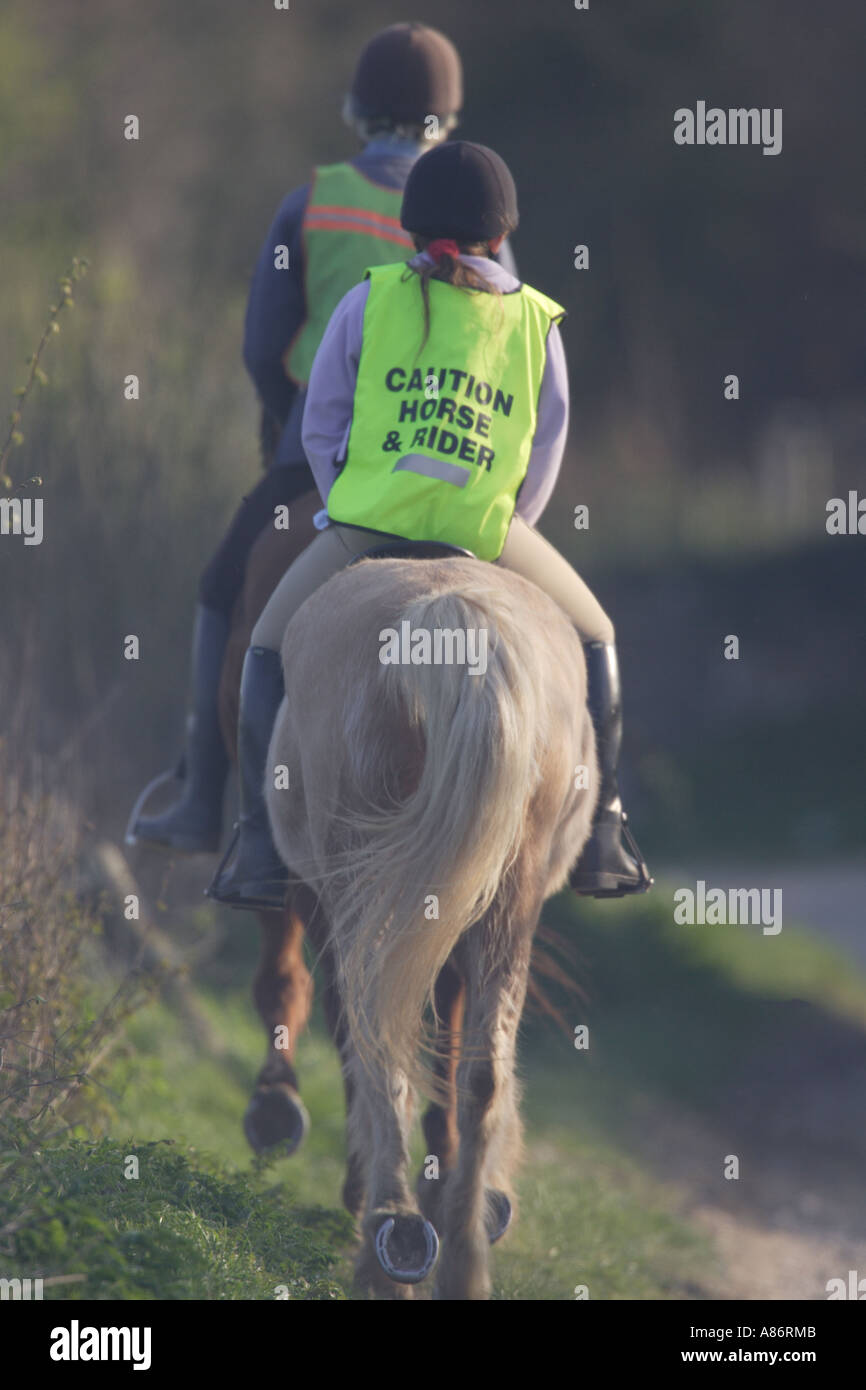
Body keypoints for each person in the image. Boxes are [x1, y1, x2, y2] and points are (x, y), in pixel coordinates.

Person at [208, 141, 652, 911]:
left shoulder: (367, 299)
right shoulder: (536, 320)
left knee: (267, 646)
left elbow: (321, 424)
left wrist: (346, 503)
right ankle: (605, 830)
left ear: (408, 228)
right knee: (599, 634)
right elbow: (546, 446)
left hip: (366, 527)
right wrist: (505, 532)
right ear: (500, 229)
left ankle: (254, 842)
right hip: (484, 531)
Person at [128, 22, 485, 853]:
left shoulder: (312, 202)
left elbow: (262, 345)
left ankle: (207, 800)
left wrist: (291, 415)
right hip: (455, 470)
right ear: (448, 118)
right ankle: (595, 814)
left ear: (358, 110)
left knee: (224, 588)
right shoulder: (481, 210)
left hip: (320, 465)